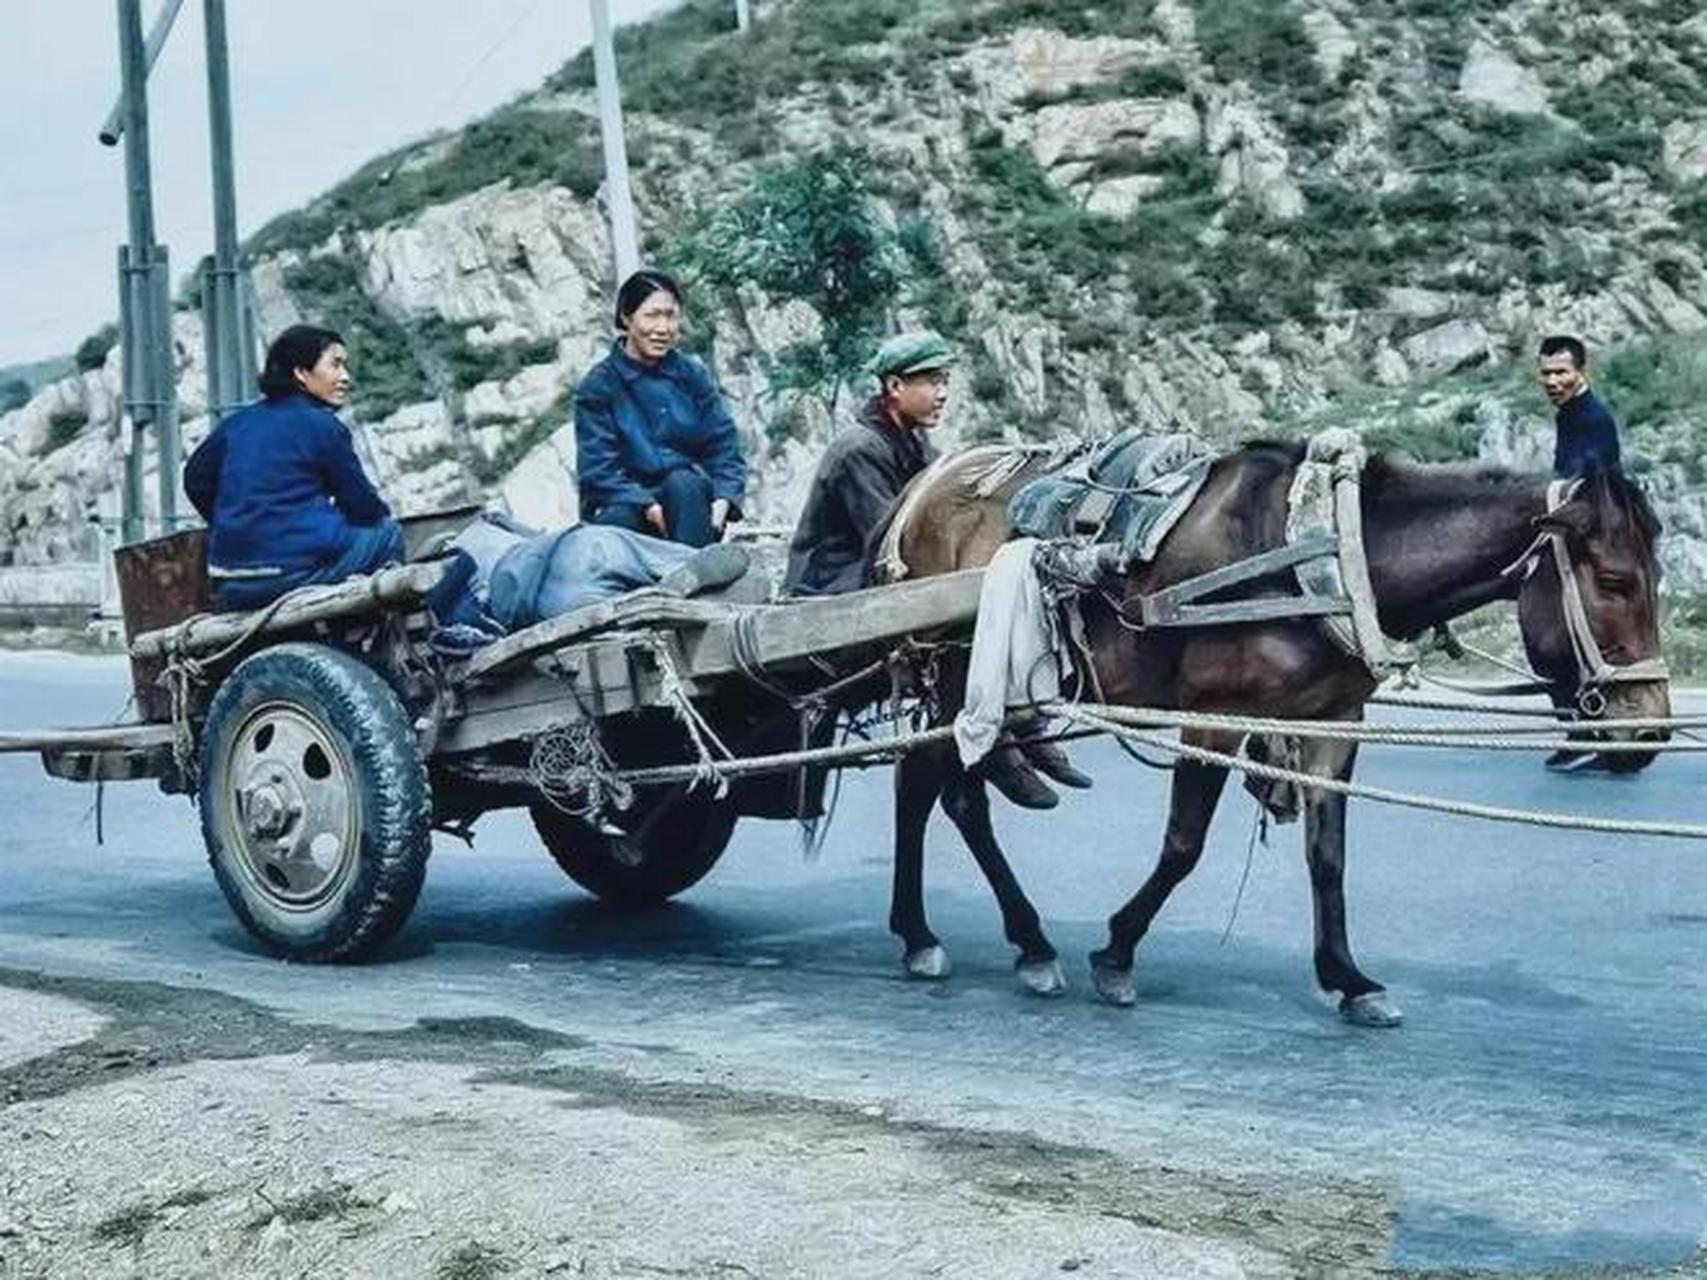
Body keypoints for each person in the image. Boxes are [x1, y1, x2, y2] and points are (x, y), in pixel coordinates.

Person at [184, 325, 490, 648]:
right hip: (288, 575)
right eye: (335, 364)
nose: (345, 376)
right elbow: (364, 508)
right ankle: (406, 641)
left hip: (230, 582)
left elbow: (194, 479)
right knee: (386, 533)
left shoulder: (238, 423)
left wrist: (233, 520)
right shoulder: (322, 425)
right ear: (301, 373)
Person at [573, 269, 746, 548]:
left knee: (685, 484)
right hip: (626, 505)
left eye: (671, 316)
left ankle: (697, 580)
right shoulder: (599, 387)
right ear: (627, 318)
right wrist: (647, 506)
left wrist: (723, 500)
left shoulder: (692, 376)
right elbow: (598, 471)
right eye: (652, 315)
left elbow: (724, 445)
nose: (663, 328)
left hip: (687, 505)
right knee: (618, 525)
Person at [784, 331, 953, 597]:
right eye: (933, 382)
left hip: (868, 579)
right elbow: (891, 540)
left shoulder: (915, 445)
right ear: (895, 386)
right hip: (828, 589)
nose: (943, 394)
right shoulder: (859, 450)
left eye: (945, 382)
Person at [1538, 334, 1622, 478]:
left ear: (1581, 373)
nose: (1551, 381)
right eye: (1546, 373)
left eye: (1560, 372)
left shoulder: (1595, 420)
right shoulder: (1567, 412)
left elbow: (1596, 484)